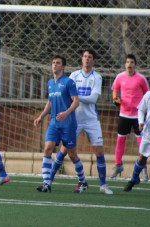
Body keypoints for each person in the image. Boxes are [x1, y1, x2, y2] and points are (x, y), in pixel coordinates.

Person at [55, 49, 112, 194]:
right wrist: (75, 99)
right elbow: (68, 95)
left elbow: (93, 99)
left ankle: (103, 185)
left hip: (91, 119)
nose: (87, 59)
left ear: (94, 61)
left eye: (90, 57)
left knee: (98, 149)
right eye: (85, 56)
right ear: (81, 59)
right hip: (74, 119)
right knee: (65, 149)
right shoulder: (74, 75)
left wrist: (77, 98)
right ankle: (48, 180)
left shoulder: (97, 77)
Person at [34, 55, 87, 193]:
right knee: (47, 148)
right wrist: (41, 116)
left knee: (72, 154)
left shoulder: (69, 82)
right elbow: (50, 102)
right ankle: (46, 183)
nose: (54, 65)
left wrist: (66, 113)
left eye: (58, 63)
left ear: (63, 67)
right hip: (54, 123)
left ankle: (83, 181)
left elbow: (76, 101)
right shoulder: (50, 83)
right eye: (53, 63)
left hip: (68, 124)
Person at [110, 54, 149, 180]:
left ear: (135, 65)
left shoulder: (141, 79)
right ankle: (117, 166)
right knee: (120, 140)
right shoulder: (120, 77)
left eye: (132, 62)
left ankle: (143, 168)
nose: (129, 64)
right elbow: (115, 90)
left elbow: (147, 94)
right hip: (124, 114)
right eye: (127, 62)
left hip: (138, 115)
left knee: (141, 142)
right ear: (125, 64)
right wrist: (115, 99)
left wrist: (145, 110)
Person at [124, 73, 150, 192]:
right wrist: (141, 122)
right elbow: (141, 109)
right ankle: (134, 179)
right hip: (149, 132)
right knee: (142, 158)